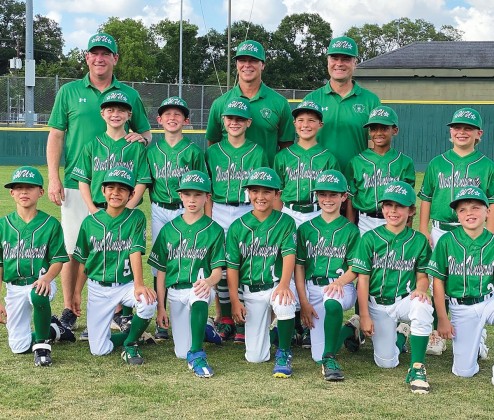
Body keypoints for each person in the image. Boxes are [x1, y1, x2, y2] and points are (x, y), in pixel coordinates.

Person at [46, 32, 152, 331]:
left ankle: (117, 307)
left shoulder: (129, 94)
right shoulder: (68, 91)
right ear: (87, 57)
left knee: (114, 246)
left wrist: (140, 138)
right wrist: (53, 178)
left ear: (115, 58)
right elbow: (56, 135)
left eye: (106, 53)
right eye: (95, 53)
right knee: (72, 249)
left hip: (120, 190)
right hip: (79, 185)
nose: (100, 58)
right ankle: (69, 308)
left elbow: (146, 134)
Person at [418, 107, 494, 356]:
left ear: (478, 134)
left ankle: (477, 334)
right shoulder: (437, 163)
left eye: (468, 128)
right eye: (457, 127)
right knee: (435, 283)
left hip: (475, 233)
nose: (462, 132)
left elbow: (491, 203)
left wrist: (489, 234)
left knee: (473, 282)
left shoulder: (486, 165)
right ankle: (436, 333)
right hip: (442, 230)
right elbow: (427, 198)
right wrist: (423, 229)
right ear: (450, 132)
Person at [353, 181, 434, 394]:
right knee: (386, 362)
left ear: (411, 210)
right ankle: (401, 335)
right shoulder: (370, 238)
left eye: (400, 206)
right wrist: (364, 315)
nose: (393, 210)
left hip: (403, 300)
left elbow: (422, 276)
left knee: (422, 305)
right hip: (377, 305)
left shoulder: (419, 240)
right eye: (388, 205)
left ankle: (417, 368)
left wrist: (421, 289)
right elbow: (362, 279)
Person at [72, 167, 157, 365]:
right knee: (99, 350)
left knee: (147, 302)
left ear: (132, 194)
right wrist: (77, 292)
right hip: (98, 288)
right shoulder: (89, 222)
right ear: (103, 191)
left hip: (125, 285)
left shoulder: (136, 218)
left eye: (122, 189)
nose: (116, 193)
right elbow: (84, 260)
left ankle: (131, 341)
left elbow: (135, 251)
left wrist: (139, 285)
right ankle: (134, 335)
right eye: (111, 187)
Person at [274, 100, 340, 347]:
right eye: (301, 120)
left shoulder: (328, 158)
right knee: (287, 264)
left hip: (316, 212)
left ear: (320, 125)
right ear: (294, 124)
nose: (305, 124)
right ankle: (289, 320)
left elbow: (334, 194)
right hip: (290, 211)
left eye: (311, 120)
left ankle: (309, 316)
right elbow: (276, 194)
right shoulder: (283, 156)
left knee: (312, 262)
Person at [148, 171, 225, 378]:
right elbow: (161, 271)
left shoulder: (214, 229)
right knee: (181, 353)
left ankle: (198, 353)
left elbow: (218, 271)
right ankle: (206, 330)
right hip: (174, 292)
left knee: (199, 294)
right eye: (188, 194)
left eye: (198, 195)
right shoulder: (168, 230)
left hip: (198, 287)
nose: (192, 200)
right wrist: (161, 308)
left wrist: (208, 282)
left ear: (207, 197)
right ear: (180, 196)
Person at [205, 97, 268, 343]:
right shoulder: (212, 152)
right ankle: (227, 319)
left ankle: (242, 317)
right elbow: (207, 190)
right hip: (220, 207)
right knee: (221, 265)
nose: (234, 122)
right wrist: (209, 218)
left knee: (244, 264)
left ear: (248, 122)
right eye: (230, 118)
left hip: (246, 209)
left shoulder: (258, 151)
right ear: (223, 121)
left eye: (240, 119)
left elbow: (262, 188)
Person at [226, 167, 297, 378]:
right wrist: (234, 300)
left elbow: (289, 255)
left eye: (267, 192)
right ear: (248, 193)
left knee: (284, 302)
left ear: (277, 194)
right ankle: (276, 332)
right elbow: (232, 267)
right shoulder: (237, 226)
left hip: (275, 284)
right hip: (251, 291)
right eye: (255, 191)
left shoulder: (286, 221)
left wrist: (284, 284)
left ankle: (284, 351)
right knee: (255, 357)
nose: (260, 196)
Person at [147, 96, 208, 341]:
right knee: (160, 262)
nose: (172, 118)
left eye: (178, 114)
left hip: (187, 209)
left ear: (186, 120)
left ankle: (191, 309)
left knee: (190, 257)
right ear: (159, 120)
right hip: (160, 207)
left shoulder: (192, 151)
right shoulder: (152, 151)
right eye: (167, 114)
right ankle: (161, 317)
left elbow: (203, 186)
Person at [0, 166, 70, 366]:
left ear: (40, 192)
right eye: (19, 187)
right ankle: (55, 329)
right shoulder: (2, 226)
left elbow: (58, 260)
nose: (24, 192)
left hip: (41, 282)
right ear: (12, 193)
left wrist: (47, 278)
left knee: (37, 293)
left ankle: (42, 346)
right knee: (19, 346)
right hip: (14, 287)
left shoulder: (50, 224)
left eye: (29, 187)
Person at [295, 170, 360, 381]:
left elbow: (355, 268)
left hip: (341, 286)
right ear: (317, 197)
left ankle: (330, 358)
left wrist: (339, 283)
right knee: (315, 356)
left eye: (333, 194)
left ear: (344, 197)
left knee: (332, 301)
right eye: (323, 194)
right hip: (312, 288)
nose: (328, 199)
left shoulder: (351, 230)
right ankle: (351, 329)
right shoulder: (306, 228)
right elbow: (300, 267)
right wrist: (304, 302)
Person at [428, 187, 494, 379]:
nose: (469, 213)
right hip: (461, 308)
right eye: (462, 210)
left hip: (488, 301)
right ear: (457, 214)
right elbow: (438, 281)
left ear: (487, 211)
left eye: (475, 207)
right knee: (463, 372)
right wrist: (442, 318)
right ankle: (477, 340)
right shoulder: (447, 241)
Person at [206, 40, 295, 166]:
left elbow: (286, 148)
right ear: (236, 64)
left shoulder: (279, 103)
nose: (247, 65)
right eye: (242, 60)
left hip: (265, 182)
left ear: (262, 65)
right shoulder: (220, 104)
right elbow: (213, 146)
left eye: (253, 60)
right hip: (229, 181)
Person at [303, 36, 381, 170]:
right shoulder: (311, 99)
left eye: (345, 59)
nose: (339, 63)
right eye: (334, 58)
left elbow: (376, 144)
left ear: (355, 63)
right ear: (327, 61)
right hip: (319, 180)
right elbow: (303, 143)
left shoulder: (371, 100)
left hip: (358, 178)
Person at [72, 90, 151, 213]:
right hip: (98, 208)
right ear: (102, 114)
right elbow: (83, 180)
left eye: (121, 110)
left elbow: (142, 181)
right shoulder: (92, 146)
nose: (115, 114)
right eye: (110, 110)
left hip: (127, 208)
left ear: (129, 115)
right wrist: (92, 208)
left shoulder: (136, 147)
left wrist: (129, 207)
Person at [346, 105, 415, 235]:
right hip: (365, 221)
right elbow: (351, 198)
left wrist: (408, 228)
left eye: (384, 128)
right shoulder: (357, 161)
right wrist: (351, 229)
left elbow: (408, 200)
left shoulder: (405, 162)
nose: (378, 133)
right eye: (374, 129)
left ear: (395, 130)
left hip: (395, 221)